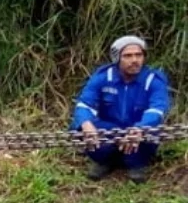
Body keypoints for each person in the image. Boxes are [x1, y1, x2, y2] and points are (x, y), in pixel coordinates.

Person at [70, 35, 171, 183]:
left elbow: (157, 110)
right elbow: (85, 104)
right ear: (117, 58)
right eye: (128, 56)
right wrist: (86, 124)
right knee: (80, 128)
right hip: (111, 129)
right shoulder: (103, 77)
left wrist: (140, 129)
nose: (135, 60)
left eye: (139, 55)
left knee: (150, 132)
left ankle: (136, 164)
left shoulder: (153, 80)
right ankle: (105, 161)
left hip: (138, 129)